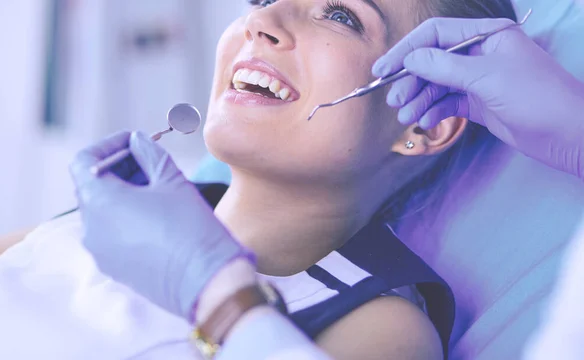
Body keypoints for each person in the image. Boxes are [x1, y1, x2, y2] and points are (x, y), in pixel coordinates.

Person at [70, 7, 584, 360]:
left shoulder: (378, 326)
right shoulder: (130, 212)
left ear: (423, 124)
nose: (261, 20)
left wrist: (216, 294)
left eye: (340, 15)